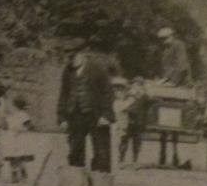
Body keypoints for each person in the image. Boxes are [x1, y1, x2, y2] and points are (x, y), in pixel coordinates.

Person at [57, 36, 115, 176]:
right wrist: (62, 118)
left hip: (96, 115)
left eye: (73, 56)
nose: (70, 59)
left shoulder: (97, 68)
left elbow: (108, 92)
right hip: (75, 115)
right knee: (75, 150)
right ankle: (76, 181)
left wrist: (106, 115)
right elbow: (64, 94)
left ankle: (99, 181)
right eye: (68, 57)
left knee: (101, 151)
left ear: (82, 54)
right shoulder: (67, 71)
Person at [156, 27, 192, 168]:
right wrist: (163, 80)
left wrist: (171, 81)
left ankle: (177, 155)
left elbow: (181, 67)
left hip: (180, 83)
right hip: (169, 84)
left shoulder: (178, 45)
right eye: (162, 39)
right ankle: (163, 154)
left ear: (172, 36)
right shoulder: (166, 50)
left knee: (177, 121)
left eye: (166, 38)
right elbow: (166, 69)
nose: (163, 41)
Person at [0, 95, 34, 182]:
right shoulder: (11, 116)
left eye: (12, 106)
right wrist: (3, 119)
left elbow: (30, 126)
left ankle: (23, 172)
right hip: (11, 138)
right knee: (12, 157)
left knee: (20, 157)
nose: (11, 108)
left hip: (20, 138)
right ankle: (14, 174)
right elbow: (5, 126)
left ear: (16, 106)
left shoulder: (23, 115)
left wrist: (23, 129)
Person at [115, 77, 147, 167]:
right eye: (136, 84)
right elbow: (121, 104)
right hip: (127, 120)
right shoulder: (128, 94)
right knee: (124, 140)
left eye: (140, 84)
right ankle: (121, 161)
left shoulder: (144, 96)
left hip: (137, 121)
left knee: (136, 142)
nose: (137, 86)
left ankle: (134, 161)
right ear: (133, 85)